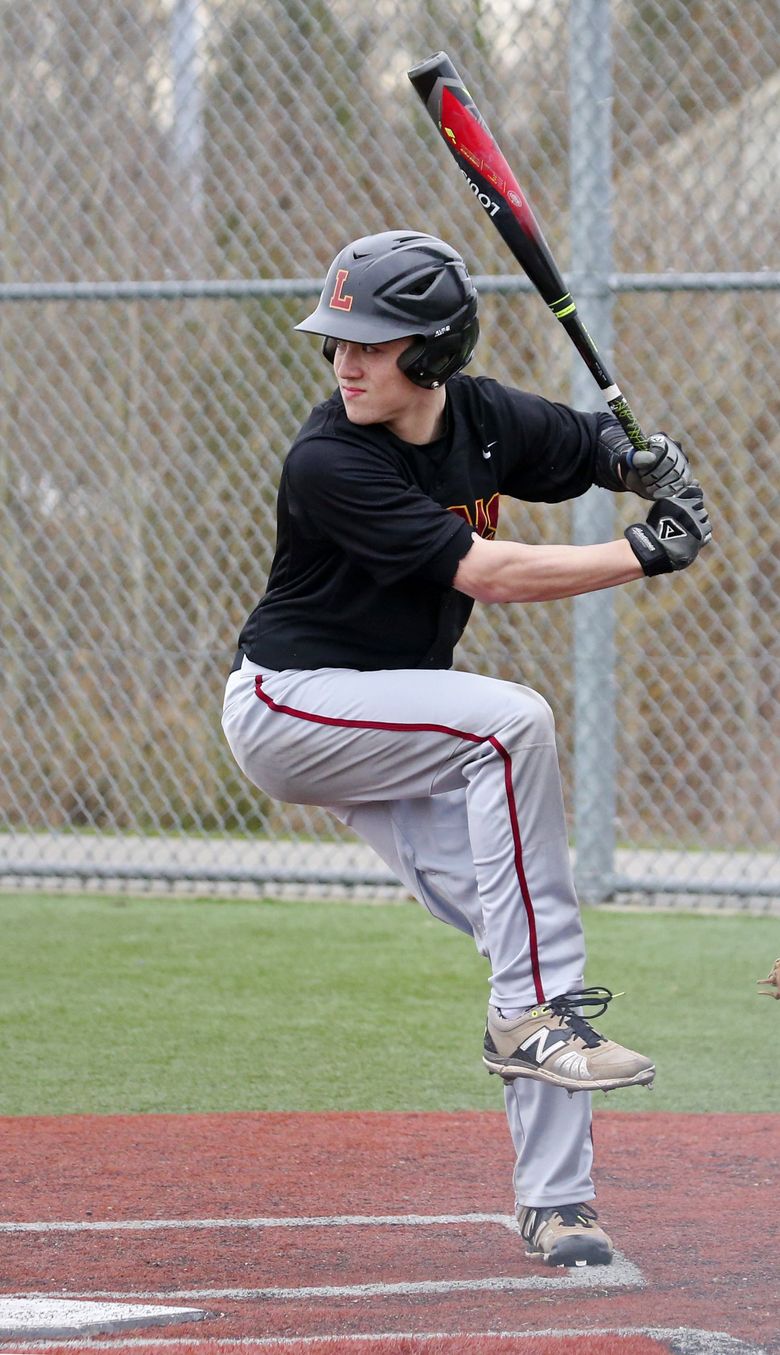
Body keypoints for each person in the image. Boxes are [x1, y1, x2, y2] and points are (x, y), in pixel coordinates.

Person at [222, 230, 711, 1267]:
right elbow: (487, 571)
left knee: (528, 929)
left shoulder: (482, 419)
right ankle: (528, 1015)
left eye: (372, 343)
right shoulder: (330, 456)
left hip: (399, 722)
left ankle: (558, 1200)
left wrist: (638, 460)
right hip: (295, 707)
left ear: (434, 355)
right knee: (513, 718)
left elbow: (581, 443)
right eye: (336, 341)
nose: (344, 361)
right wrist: (637, 550)